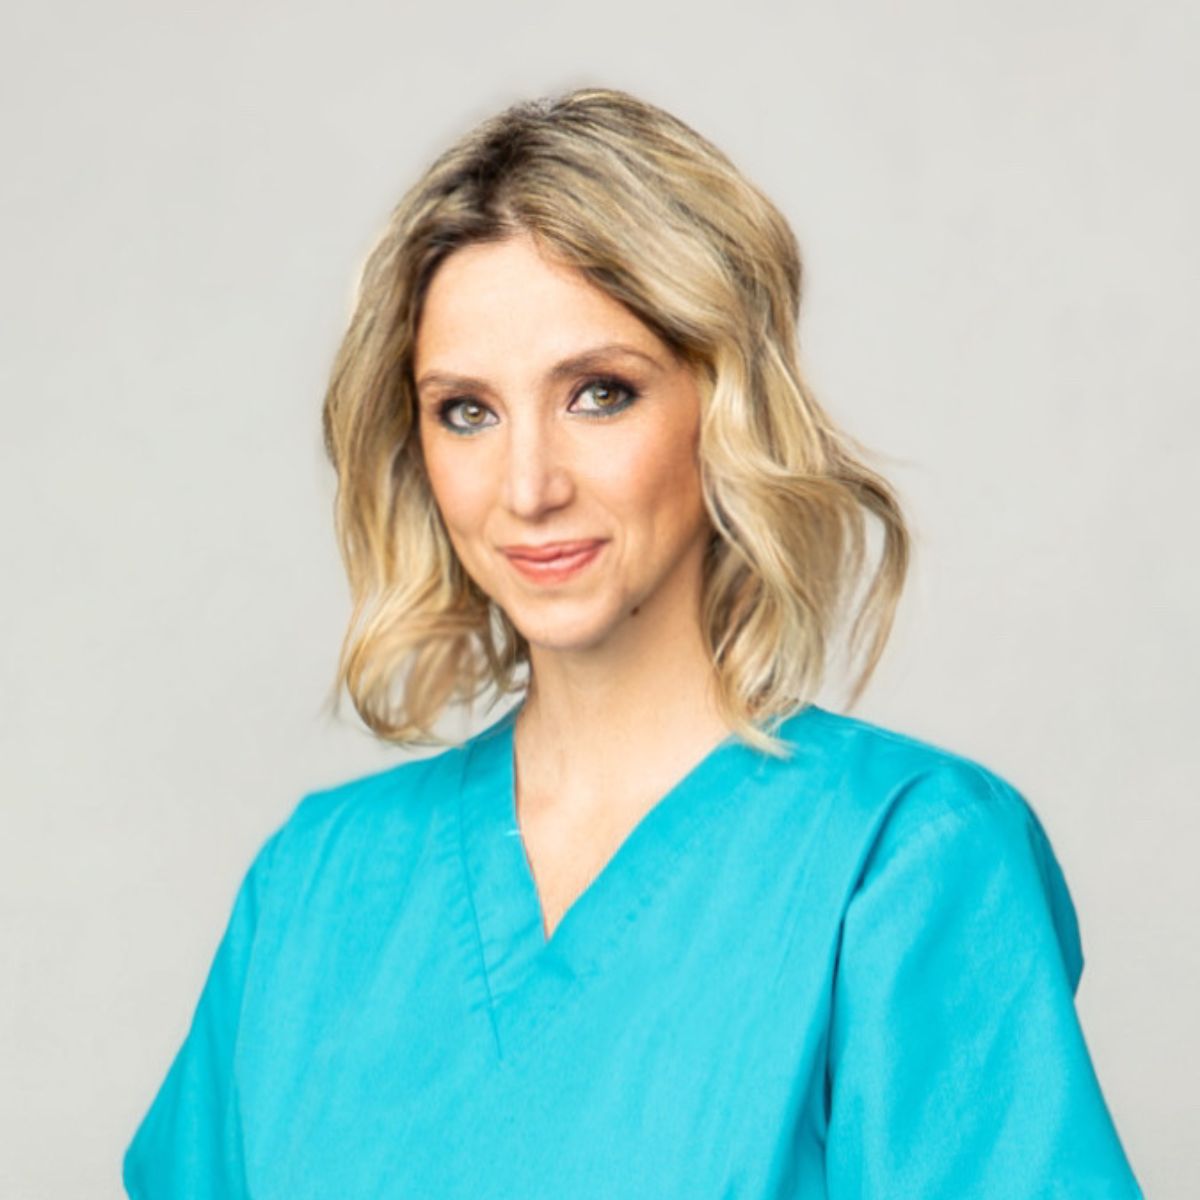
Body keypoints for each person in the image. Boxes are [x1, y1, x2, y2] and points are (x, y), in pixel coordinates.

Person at [122, 86, 1143, 1198]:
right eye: (466, 410)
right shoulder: (316, 887)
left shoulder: (901, 861)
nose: (528, 487)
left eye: (599, 394)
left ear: (725, 402)